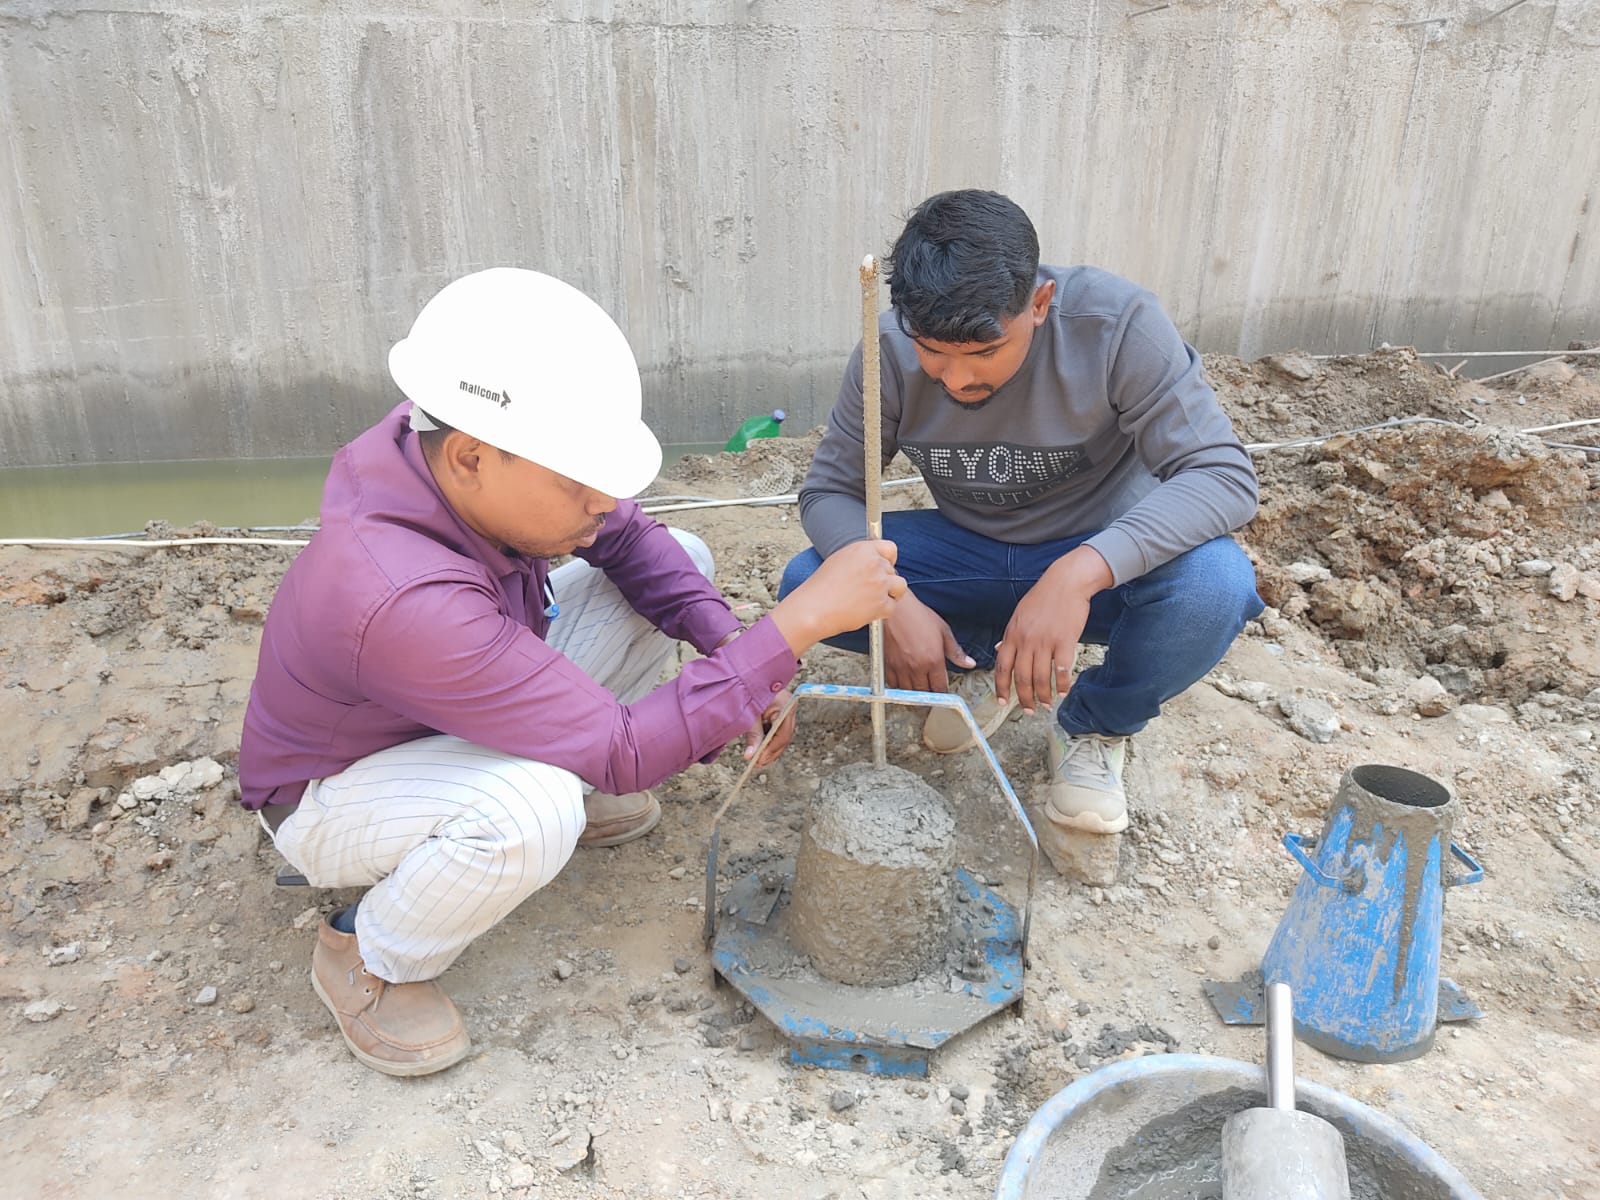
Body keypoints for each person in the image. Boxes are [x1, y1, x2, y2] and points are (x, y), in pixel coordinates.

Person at [239, 268, 905, 1076]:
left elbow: (630, 539)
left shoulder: (441, 443)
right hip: (336, 793)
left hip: (450, 699)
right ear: (473, 457)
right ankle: (369, 954)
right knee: (531, 809)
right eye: (576, 480)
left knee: (680, 561)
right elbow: (626, 749)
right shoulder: (399, 591)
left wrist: (733, 644)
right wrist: (793, 628)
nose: (602, 500)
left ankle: (552, 786)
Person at [780, 190, 1262, 867]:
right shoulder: (887, 347)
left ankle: (1093, 726)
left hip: (1096, 556)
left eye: (983, 352)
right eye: (933, 352)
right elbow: (831, 490)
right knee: (807, 582)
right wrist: (894, 597)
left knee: (1215, 586)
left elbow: (1222, 476)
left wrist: (1078, 575)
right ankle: (981, 663)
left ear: (1039, 303)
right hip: (968, 553)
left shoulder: (1117, 327)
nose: (956, 378)